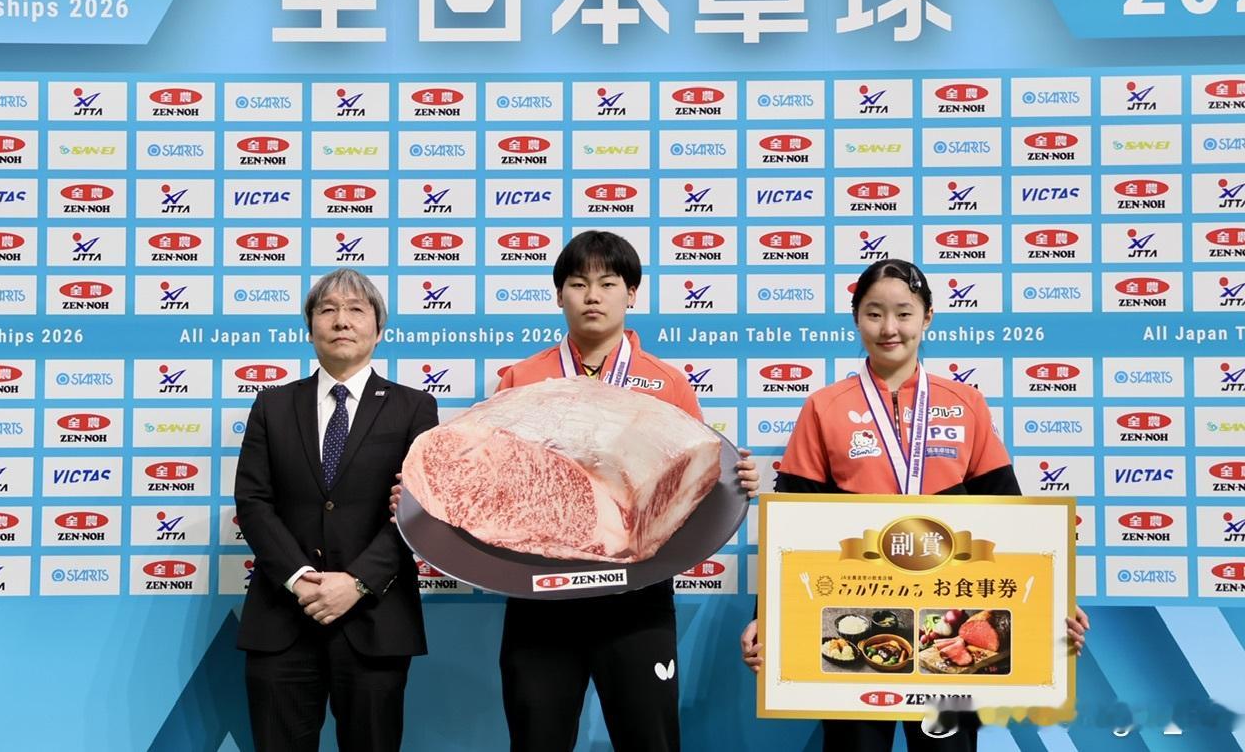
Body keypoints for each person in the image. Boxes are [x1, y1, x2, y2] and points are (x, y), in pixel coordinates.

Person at [395, 230, 758, 752]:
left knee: (650, 740)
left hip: (636, 594)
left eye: (608, 283)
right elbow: (492, 485)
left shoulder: (667, 382)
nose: (593, 295)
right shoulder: (523, 376)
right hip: (540, 593)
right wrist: (423, 499)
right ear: (559, 294)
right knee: (537, 739)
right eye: (578, 283)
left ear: (631, 294)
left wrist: (732, 482)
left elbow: (694, 484)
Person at [738, 258, 1088, 752]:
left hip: (946, 612)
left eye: (904, 313)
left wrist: (1056, 605)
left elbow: (1011, 516)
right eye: (874, 313)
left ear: (927, 318)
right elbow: (791, 527)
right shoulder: (824, 407)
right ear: (856, 319)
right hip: (853, 610)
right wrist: (768, 616)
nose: (889, 328)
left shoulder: (965, 404)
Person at [236, 267, 437, 751]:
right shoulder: (272, 405)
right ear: (310, 328)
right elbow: (254, 501)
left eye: (355, 310)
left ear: (378, 328)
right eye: (328, 310)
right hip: (283, 616)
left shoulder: (414, 408)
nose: (341, 320)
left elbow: (419, 509)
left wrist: (358, 582)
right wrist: (300, 578)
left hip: (375, 618)